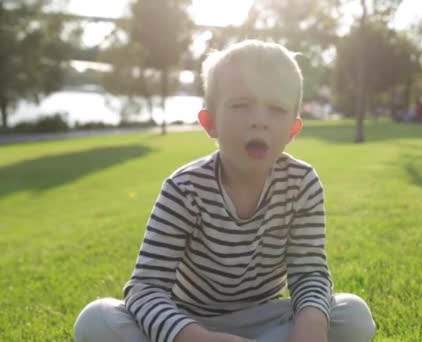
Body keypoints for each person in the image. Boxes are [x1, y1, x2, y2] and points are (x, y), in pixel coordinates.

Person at [73, 40, 376, 342]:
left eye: (276, 109)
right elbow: (145, 289)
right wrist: (196, 337)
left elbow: (309, 274)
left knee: (353, 316)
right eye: (241, 105)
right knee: (96, 320)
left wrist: (311, 329)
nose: (259, 121)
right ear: (210, 122)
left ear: (292, 130)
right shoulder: (184, 190)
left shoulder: (302, 184)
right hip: (189, 321)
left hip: (264, 319)